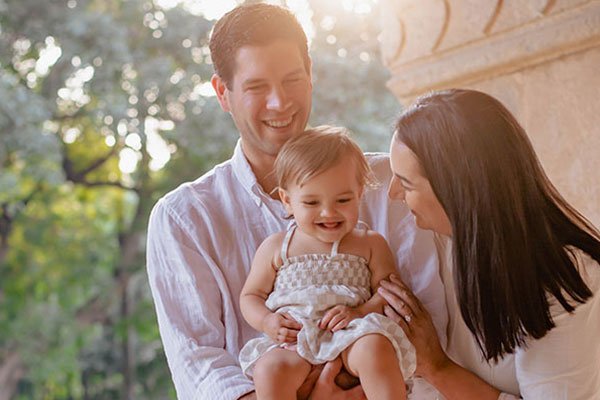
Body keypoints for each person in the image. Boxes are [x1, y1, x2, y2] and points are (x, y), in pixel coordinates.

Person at [146, 3, 447, 400]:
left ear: (311, 75)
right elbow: (199, 369)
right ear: (223, 92)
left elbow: (429, 323)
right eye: (256, 87)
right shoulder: (183, 219)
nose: (279, 103)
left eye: (292, 79)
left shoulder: (389, 185)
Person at [378, 88, 600, 399]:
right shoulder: (435, 238)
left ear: (455, 191)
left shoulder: (565, 277)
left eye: (406, 182)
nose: (393, 194)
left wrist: (436, 367)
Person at [239, 126, 422, 400]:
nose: (328, 212)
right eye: (312, 202)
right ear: (287, 200)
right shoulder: (277, 247)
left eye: (343, 200)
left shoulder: (370, 243)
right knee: (269, 370)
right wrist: (267, 321)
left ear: (360, 192)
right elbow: (250, 295)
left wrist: (360, 312)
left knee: (376, 349)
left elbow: (388, 294)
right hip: (296, 338)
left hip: (352, 333)